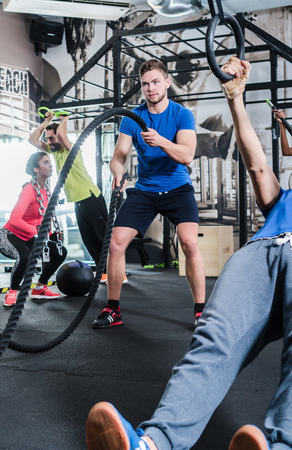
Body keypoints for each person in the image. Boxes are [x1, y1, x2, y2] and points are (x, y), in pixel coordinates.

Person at [85, 34, 292, 450]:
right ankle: (154, 443)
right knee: (210, 341)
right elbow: (257, 162)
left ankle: (286, 446)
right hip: (261, 254)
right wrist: (235, 99)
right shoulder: (285, 198)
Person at [92, 58, 206, 330]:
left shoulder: (182, 114)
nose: (150, 88)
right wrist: (117, 170)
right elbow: (118, 156)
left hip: (178, 187)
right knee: (116, 243)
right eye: (145, 84)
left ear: (167, 82)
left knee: (189, 242)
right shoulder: (134, 117)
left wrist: (162, 141)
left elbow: (188, 155)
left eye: (156, 82)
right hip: (144, 189)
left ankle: (201, 311)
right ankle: (114, 309)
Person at [28, 110, 108, 271]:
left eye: (51, 138)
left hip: (90, 197)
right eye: (47, 138)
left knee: (101, 238)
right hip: (78, 201)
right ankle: (103, 271)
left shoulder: (72, 149)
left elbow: (63, 137)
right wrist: (46, 122)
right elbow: (32, 140)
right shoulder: (54, 152)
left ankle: (116, 272)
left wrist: (64, 119)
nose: (49, 141)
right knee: (89, 239)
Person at [0, 151, 67, 307]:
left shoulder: (47, 191)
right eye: (45, 162)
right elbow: (14, 219)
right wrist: (38, 233)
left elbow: (40, 219)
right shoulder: (29, 189)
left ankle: (40, 287)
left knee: (60, 252)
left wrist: (51, 234)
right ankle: (12, 291)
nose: (50, 165)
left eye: (50, 162)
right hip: (9, 236)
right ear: (36, 169)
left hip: (29, 238)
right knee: (25, 257)